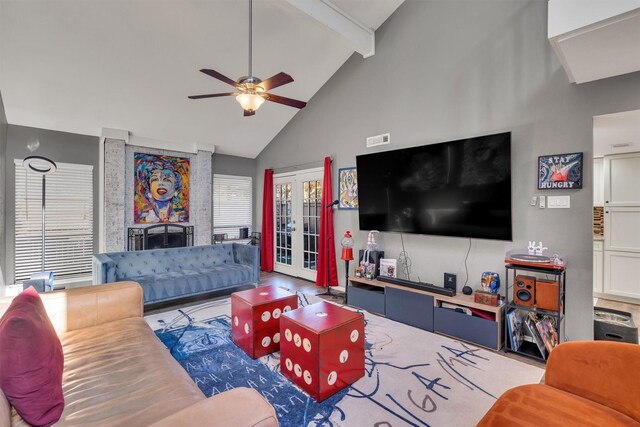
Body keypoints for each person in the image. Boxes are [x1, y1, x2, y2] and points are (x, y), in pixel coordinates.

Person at [136, 157, 188, 223]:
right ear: (149, 190)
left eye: (167, 180)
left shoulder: (182, 217)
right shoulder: (142, 218)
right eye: (155, 179)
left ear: (176, 189)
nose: (161, 183)